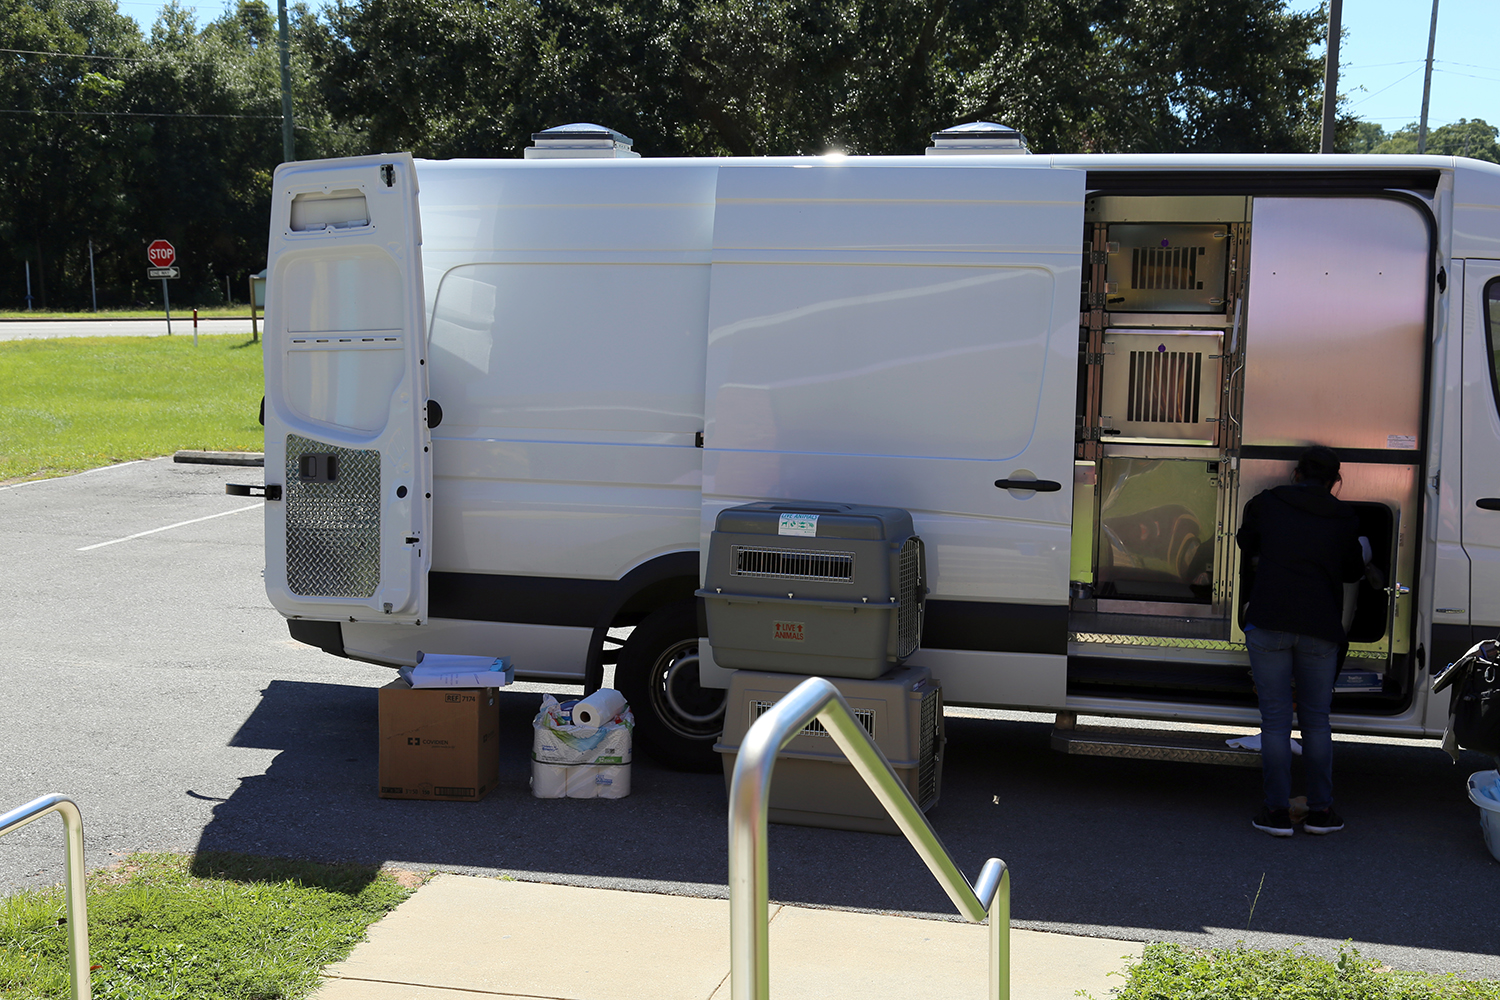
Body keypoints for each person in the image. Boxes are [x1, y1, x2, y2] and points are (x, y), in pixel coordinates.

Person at [1236, 446, 1367, 837]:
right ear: (1335, 481)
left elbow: (1246, 543)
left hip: (1269, 620)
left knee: (1275, 723)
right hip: (1320, 628)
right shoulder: (1344, 515)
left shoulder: (1268, 502)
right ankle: (1321, 813)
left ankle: (1276, 814)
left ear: (1296, 474)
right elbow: (1352, 570)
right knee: (1316, 721)